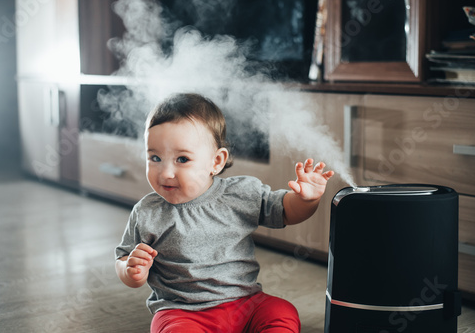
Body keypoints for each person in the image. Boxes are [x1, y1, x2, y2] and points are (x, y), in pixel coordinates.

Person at [115, 93, 334, 333]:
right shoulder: (147, 212)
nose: (166, 172)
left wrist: (306, 199)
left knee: (281, 311)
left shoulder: (241, 193)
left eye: (182, 159)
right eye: (155, 158)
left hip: (246, 303)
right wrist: (131, 271)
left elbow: (285, 212)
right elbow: (124, 258)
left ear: (216, 162)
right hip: (181, 312)